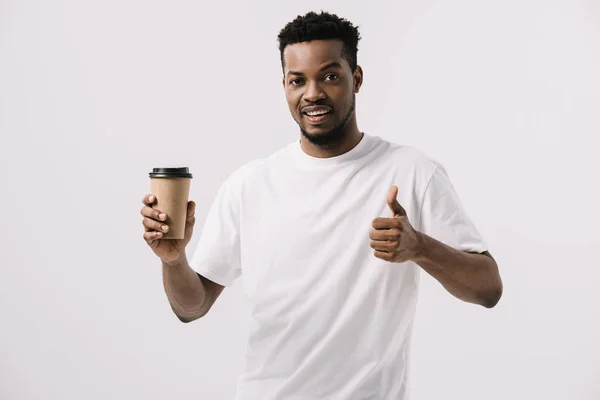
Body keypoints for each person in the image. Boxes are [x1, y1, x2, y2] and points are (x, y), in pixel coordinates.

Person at [140, 11, 503, 400]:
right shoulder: (249, 184)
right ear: (284, 85)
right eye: (298, 80)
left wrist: (420, 247)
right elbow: (191, 307)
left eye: (329, 76)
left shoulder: (412, 172)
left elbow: (488, 288)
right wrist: (174, 260)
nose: (312, 93)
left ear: (356, 79)